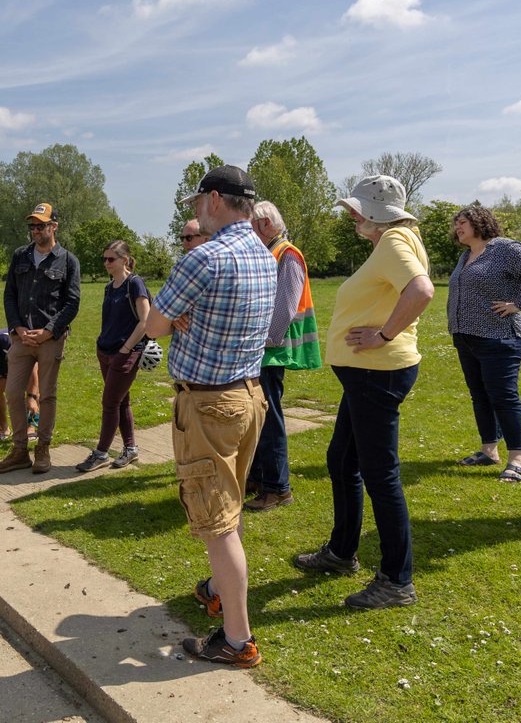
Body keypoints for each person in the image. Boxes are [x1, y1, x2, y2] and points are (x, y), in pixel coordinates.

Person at [146, 165, 275, 668]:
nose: (197, 209)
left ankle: (237, 639)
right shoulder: (264, 253)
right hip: (248, 396)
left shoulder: (203, 258)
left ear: (216, 200)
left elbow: (155, 325)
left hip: (208, 404)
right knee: (230, 512)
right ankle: (224, 598)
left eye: (200, 200)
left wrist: (175, 315)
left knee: (217, 524)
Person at [294, 175, 433, 610]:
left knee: (380, 474)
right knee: (343, 459)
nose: (351, 214)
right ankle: (341, 552)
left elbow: (421, 290)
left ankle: (396, 580)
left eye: (356, 208)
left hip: (377, 373)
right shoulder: (397, 239)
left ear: (377, 211)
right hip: (365, 375)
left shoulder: (393, 240)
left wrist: (384, 335)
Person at [448, 204, 521, 482]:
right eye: (456, 224)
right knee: (480, 395)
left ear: (479, 222)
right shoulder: (466, 256)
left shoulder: (503, 248)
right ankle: (489, 450)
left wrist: (519, 303)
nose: (458, 227)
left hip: (499, 337)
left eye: (463, 222)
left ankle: (517, 460)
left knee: (503, 396)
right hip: (466, 337)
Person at [0, 202, 81, 475]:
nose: (35, 231)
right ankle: (19, 450)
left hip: (49, 339)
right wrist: (17, 328)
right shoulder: (20, 256)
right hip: (20, 339)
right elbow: (9, 295)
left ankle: (43, 448)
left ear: (54, 226)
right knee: (12, 392)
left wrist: (49, 331)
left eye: (41, 225)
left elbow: (73, 302)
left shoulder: (68, 260)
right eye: (32, 226)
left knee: (47, 395)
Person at [244, 200, 322, 511]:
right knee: (259, 418)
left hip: (272, 351)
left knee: (270, 421)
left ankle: (278, 488)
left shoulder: (287, 254)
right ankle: (259, 478)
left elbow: (285, 307)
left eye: (251, 225)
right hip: (264, 351)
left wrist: (266, 340)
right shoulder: (271, 252)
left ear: (264, 225)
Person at [75, 240, 151, 472]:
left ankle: (101, 453)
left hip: (125, 353)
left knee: (109, 403)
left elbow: (145, 321)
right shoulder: (110, 287)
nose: (106, 263)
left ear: (125, 259)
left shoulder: (135, 284)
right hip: (106, 351)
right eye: (104, 259)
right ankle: (131, 449)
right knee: (121, 400)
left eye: (111, 259)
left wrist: (126, 349)